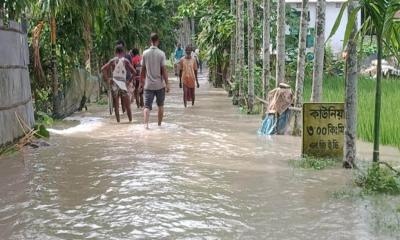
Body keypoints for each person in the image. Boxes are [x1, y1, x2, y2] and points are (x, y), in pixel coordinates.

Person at [140, 33, 170, 129]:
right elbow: (164, 70)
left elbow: (142, 70)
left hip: (148, 85)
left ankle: (146, 126)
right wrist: (167, 83)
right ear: (158, 41)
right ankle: (159, 125)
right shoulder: (161, 53)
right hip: (159, 85)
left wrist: (141, 83)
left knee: (147, 107)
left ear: (150, 41)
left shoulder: (145, 53)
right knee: (160, 105)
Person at [101, 45, 136, 123]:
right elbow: (134, 72)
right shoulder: (125, 61)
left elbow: (103, 69)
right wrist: (129, 81)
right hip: (123, 84)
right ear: (123, 52)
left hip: (115, 84)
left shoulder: (112, 61)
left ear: (115, 52)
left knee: (116, 106)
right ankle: (130, 122)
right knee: (128, 106)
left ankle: (118, 123)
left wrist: (108, 79)